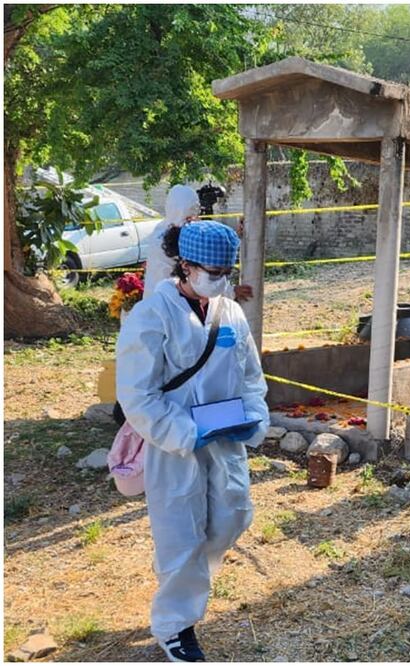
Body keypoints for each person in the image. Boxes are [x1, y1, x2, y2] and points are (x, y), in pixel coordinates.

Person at [116, 220, 268, 662]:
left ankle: (180, 575)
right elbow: (137, 395)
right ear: (184, 265)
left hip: (225, 440)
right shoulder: (153, 314)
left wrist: (252, 418)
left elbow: (251, 377)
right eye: (211, 271)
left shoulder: (231, 312)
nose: (219, 280)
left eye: (226, 272)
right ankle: (175, 626)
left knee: (233, 515)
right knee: (181, 533)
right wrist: (185, 431)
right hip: (173, 446)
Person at [143, 184, 251, 302]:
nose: (196, 217)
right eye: (192, 212)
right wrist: (231, 292)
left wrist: (235, 235)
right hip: (174, 304)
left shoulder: (160, 230)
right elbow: (205, 270)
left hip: (157, 301)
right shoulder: (181, 237)